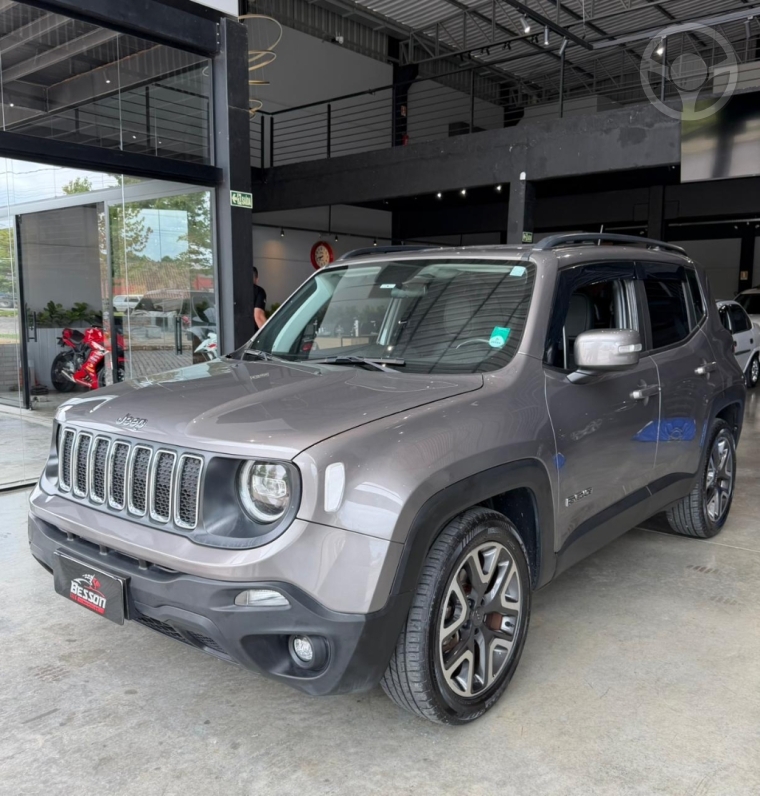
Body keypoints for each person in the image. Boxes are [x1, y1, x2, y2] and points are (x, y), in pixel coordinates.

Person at [253, 266, 267, 332]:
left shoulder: (233, 292)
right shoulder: (259, 291)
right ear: (256, 279)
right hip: (251, 336)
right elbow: (258, 316)